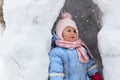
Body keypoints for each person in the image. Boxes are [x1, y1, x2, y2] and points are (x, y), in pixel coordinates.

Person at [48, 12, 102, 80]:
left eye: (74, 31)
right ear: (60, 33)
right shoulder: (57, 52)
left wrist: (95, 75)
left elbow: (89, 64)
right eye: (69, 31)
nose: (72, 33)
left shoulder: (81, 48)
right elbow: (56, 72)